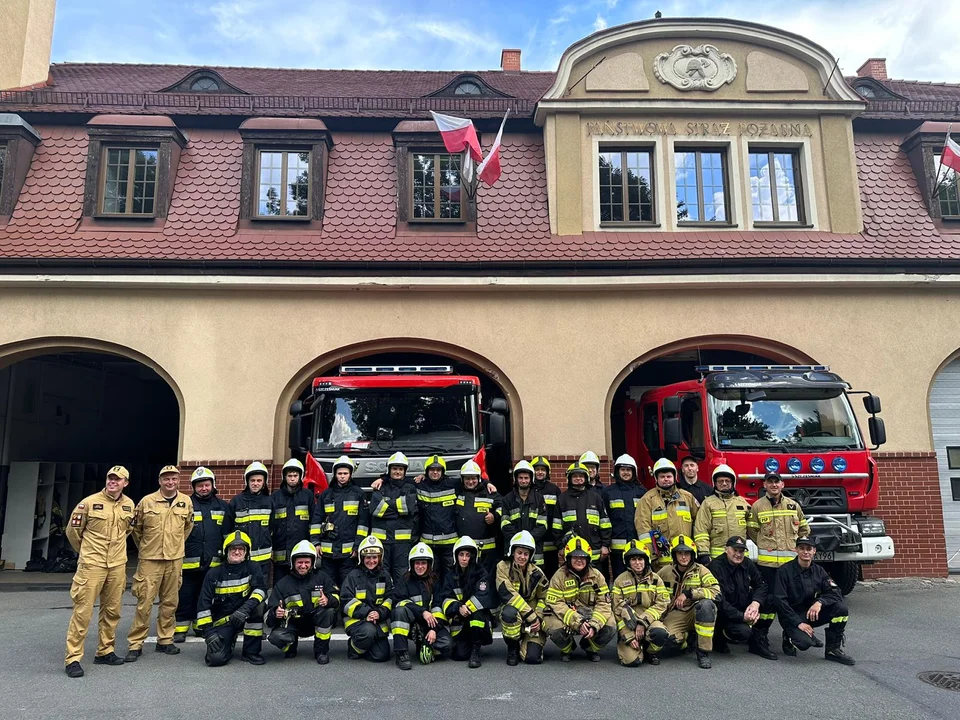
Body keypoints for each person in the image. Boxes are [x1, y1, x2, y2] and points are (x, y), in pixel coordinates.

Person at [63, 466, 136, 678]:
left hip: (117, 565)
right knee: (83, 612)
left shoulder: (129, 505)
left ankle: (105, 651)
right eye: (110, 478)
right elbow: (73, 532)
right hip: (92, 565)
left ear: (125, 483)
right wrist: (87, 553)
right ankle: (73, 658)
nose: (112, 481)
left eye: (117, 479)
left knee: (112, 610)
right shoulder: (88, 503)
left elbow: (128, 530)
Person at [125, 465, 195, 662]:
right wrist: (147, 547)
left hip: (174, 559)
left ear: (178, 481)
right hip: (150, 559)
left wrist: (175, 545)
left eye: (173, 479)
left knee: (170, 602)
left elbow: (187, 528)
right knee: (144, 602)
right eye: (166, 479)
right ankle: (136, 643)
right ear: (160, 481)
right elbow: (136, 530)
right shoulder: (146, 502)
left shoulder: (185, 501)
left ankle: (165, 640)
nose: (170, 482)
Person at [747, 471, 810, 651]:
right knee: (769, 601)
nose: (774, 485)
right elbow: (752, 531)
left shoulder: (793, 505)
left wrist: (799, 547)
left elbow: (804, 529)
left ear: (782, 485)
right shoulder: (757, 506)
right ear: (765, 485)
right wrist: (764, 544)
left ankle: (789, 637)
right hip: (768, 566)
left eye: (777, 482)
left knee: (792, 601)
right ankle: (760, 637)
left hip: (790, 565)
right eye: (770, 482)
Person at [774, 536, 855, 665]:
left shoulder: (819, 571)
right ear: (796, 550)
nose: (805, 552)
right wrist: (797, 623)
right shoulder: (784, 571)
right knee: (804, 643)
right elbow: (780, 601)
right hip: (791, 616)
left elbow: (835, 592)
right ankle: (789, 636)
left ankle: (832, 649)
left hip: (810, 613)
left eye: (809, 549)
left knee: (841, 608)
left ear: (814, 551)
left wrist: (820, 602)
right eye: (802, 548)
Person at [175, 466, 231, 643]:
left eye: (206, 485)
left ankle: (201, 626)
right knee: (185, 596)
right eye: (199, 485)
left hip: (213, 563)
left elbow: (228, 535)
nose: (203, 488)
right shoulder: (186, 505)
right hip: (188, 562)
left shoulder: (223, 507)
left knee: (205, 597)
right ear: (193, 487)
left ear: (213, 485)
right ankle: (181, 628)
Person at [196, 531, 268, 666]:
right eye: (233, 548)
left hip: (245, 614)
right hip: (224, 621)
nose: (237, 552)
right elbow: (203, 606)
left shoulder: (253, 567)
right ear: (226, 551)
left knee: (259, 606)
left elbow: (261, 590)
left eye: (241, 549)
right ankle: (230, 640)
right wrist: (209, 633)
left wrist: (244, 609)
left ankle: (250, 652)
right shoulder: (213, 574)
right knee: (215, 660)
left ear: (247, 552)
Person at [266, 540, 340, 664]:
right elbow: (268, 615)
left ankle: (321, 652)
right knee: (275, 637)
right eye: (300, 562)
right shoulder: (283, 584)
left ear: (312, 563)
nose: (303, 565)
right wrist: (275, 613)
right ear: (293, 563)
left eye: (307, 562)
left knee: (328, 612)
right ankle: (290, 646)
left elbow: (337, 599)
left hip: (314, 621)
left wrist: (328, 600)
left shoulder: (322, 577)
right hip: (293, 623)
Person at [544, 534, 615, 662]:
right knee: (551, 623)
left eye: (582, 557)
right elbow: (555, 604)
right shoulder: (559, 576)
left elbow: (604, 604)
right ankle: (568, 649)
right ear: (568, 558)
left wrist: (594, 625)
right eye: (575, 557)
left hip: (590, 616)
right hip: (569, 617)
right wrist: (578, 621)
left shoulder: (597, 576)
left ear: (588, 559)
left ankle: (590, 648)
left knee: (611, 623)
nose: (579, 560)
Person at [708, 535, 777, 660]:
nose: (738, 554)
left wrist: (755, 604)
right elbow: (719, 601)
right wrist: (742, 617)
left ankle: (758, 639)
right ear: (726, 549)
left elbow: (761, 585)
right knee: (743, 632)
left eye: (741, 551)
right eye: (735, 550)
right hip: (724, 614)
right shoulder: (716, 567)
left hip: (744, 607)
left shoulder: (747, 563)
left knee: (771, 599)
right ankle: (719, 636)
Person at [656, 535, 720, 669]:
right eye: (680, 553)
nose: (683, 557)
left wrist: (690, 593)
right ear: (674, 555)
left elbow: (716, 592)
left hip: (695, 611)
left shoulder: (701, 570)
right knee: (665, 639)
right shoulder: (665, 571)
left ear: (692, 555)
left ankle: (703, 653)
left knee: (707, 605)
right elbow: (652, 590)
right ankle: (688, 639)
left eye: (687, 553)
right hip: (676, 614)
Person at [390, 542, 453, 670]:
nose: (420, 566)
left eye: (423, 563)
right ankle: (401, 653)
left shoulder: (435, 581)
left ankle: (424, 645)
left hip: (429, 624)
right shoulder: (405, 580)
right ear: (411, 564)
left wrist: (433, 630)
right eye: (417, 563)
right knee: (399, 611)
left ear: (429, 564)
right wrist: (422, 612)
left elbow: (438, 608)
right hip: (411, 623)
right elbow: (399, 601)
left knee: (447, 644)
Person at [439, 536, 498, 668]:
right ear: (456, 556)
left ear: (473, 556)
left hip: (479, 621)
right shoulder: (450, 576)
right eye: (461, 555)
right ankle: (469, 645)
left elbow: (483, 596)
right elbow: (445, 599)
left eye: (467, 555)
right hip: (459, 622)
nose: (464, 558)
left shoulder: (481, 573)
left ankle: (476, 650)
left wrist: (467, 607)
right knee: (459, 655)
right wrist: (458, 607)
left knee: (476, 614)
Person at [311, 455, 369, 586]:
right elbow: (316, 519)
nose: (342, 476)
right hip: (327, 553)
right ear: (335, 474)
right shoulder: (326, 495)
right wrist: (315, 542)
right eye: (339, 473)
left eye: (345, 473)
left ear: (350, 475)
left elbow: (363, 524)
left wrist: (358, 545)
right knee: (328, 585)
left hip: (349, 554)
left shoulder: (359, 494)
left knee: (348, 586)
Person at [610, 540, 670, 667]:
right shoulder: (619, 581)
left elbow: (662, 604)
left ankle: (650, 652)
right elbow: (616, 611)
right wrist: (629, 636)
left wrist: (643, 622)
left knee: (660, 633)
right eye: (633, 559)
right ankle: (632, 646)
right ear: (628, 562)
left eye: (640, 559)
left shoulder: (656, 579)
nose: (637, 563)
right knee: (632, 662)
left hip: (650, 621)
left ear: (646, 560)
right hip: (628, 625)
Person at [635, 458, 699, 569]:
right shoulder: (647, 499)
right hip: (660, 562)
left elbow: (699, 524)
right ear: (656, 479)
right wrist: (651, 555)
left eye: (669, 476)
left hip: (685, 557)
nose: (666, 479)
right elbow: (643, 529)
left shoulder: (688, 497)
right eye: (662, 477)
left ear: (675, 477)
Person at [496, 530, 549, 665]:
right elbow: (509, 595)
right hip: (515, 608)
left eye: (526, 554)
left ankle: (527, 643)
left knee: (532, 658)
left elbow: (545, 598)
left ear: (530, 555)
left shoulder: (538, 573)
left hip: (534, 615)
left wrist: (538, 617)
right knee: (509, 614)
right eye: (519, 552)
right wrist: (531, 616)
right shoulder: (502, 567)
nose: (522, 557)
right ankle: (512, 648)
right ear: (513, 552)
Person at [341, 535, 394, 662]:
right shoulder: (353, 576)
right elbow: (345, 601)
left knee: (382, 656)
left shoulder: (385, 576)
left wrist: (379, 613)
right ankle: (354, 648)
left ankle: (365, 647)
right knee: (368, 632)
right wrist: (367, 613)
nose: (371, 561)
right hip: (357, 621)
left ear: (380, 558)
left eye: (374, 557)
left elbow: (391, 598)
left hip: (377, 621)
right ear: (361, 558)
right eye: (368, 558)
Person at [370, 452, 420, 585]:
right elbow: (376, 509)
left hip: (402, 543)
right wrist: (399, 509)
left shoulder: (410, 488)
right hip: (381, 541)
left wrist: (387, 506)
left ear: (404, 471)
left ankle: (400, 601)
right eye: (394, 469)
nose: (397, 472)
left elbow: (408, 508)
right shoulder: (380, 486)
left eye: (400, 469)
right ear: (389, 470)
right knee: (381, 573)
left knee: (402, 575)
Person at [554, 462, 611, 567]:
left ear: (586, 478)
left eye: (581, 476)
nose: (578, 478)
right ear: (569, 479)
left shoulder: (596, 498)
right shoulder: (562, 499)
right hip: (571, 551)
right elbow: (556, 527)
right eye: (575, 476)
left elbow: (605, 524)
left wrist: (605, 545)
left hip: (594, 552)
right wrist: (560, 547)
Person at [693, 464, 750, 564]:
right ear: (714, 483)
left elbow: (752, 528)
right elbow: (701, 530)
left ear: (733, 482)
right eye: (720, 481)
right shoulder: (708, 503)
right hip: (717, 558)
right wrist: (704, 553)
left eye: (727, 481)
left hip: (740, 557)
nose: (724, 484)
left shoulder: (743, 503)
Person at [454, 460, 502, 578]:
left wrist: (494, 516)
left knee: (486, 580)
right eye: (467, 479)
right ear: (462, 479)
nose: (470, 482)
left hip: (486, 549)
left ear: (479, 478)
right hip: (466, 550)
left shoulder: (489, 492)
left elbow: (503, 506)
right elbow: (439, 482)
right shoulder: (457, 490)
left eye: (473, 478)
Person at [414, 455, 459, 580]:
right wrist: (382, 479)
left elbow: (471, 481)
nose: (435, 472)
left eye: (438, 470)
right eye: (432, 470)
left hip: (449, 545)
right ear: (426, 472)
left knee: (451, 577)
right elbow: (398, 481)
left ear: (443, 472)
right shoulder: (419, 485)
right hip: (428, 544)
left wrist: (487, 483)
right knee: (431, 578)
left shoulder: (453, 484)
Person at [271, 458, 315, 583]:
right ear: (284, 477)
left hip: (301, 552)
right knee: (280, 585)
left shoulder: (308, 496)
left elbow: (313, 521)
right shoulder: (275, 497)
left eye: (295, 475)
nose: (292, 478)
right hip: (280, 553)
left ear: (300, 476)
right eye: (289, 475)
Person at [229, 461, 273, 579]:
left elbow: (274, 528)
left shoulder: (269, 502)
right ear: (247, 482)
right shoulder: (236, 501)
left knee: (261, 590)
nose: (255, 483)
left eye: (259, 481)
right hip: (241, 557)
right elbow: (228, 528)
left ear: (264, 482)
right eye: (252, 480)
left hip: (263, 560)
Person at [500, 461, 547, 568]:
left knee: (535, 582)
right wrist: (519, 542)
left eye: (526, 478)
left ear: (531, 479)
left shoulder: (539, 499)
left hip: (535, 551)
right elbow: (505, 525)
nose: (523, 481)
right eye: (520, 478)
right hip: (513, 550)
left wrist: (527, 541)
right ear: (516, 479)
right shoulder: (507, 499)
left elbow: (543, 525)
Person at [605, 454, 645, 580]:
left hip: (638, 545)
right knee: (620, 578)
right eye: (623, 470)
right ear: (617, 472)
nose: (626, 473)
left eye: (628, 470)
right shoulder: (608, 492)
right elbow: (605, 519)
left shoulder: (642, 492)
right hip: (617, 548)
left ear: (634, 472)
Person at [532, 456, 562, 578]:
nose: (540, 472)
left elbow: (558, 514)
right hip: (534, 539)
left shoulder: (554, 489)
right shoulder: (528, 489)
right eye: (537, 469)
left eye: (542, 470)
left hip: (550, 540)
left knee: (551, 572)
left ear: (547, 472)